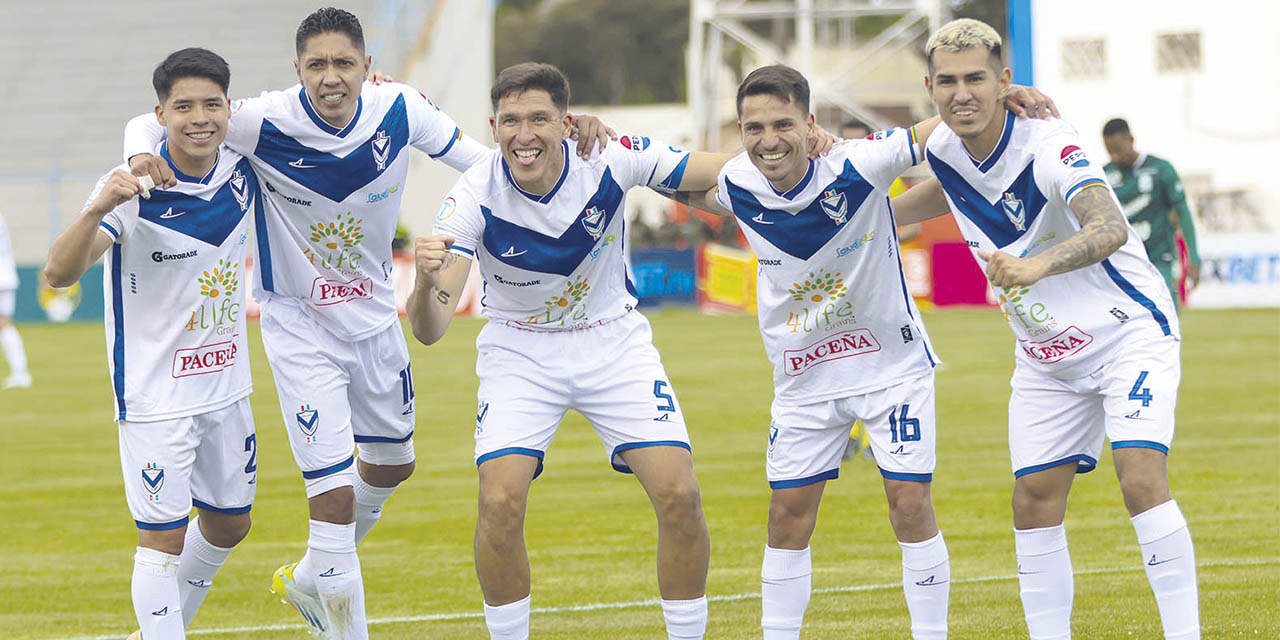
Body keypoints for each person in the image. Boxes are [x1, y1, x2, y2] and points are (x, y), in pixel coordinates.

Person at [121, 10, 612, 639]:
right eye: (317, 65)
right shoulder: (261, 118)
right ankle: (339, 618)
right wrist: (139, 147)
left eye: (343, 63)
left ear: (365, 66)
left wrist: (575, 138)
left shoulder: (401, 110)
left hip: (378, 319)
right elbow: (160, 114)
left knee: (391, 465)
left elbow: (491, 162)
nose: (331, 77)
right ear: (296, 70)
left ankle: (308, 578)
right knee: (331, 499)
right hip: (299, 324)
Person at [684, 64, 1053, 640]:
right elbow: (658, 173)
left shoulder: (860, 160)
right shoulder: (735, 181)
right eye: (754, 128)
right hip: (803, 377)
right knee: (786, 519)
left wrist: (999, 96)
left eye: (783, 123)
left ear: (810, 123)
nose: (769, 140)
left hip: (892, 371)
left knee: (909, 506)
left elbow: (938, 130)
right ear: (740, 130)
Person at [405, 62, 757, 640]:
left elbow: (724, 169)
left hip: (612, 342)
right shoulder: (473, 194)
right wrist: (423, 284)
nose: (525, 134)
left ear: (566, 123)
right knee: (499, 503)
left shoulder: (611, 156)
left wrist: (805, 148)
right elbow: (431, 328)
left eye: (540, 118)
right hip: (519, 353)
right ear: (493, 126)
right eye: (512, 120)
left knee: (680, 493)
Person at [902, 18, 1199, 639]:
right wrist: (872, 219)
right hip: (1047, 358)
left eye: (978, 79)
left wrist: (1035, 265)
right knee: (1032, 501)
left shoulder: (1049, 140)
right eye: (949, 81)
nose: (964, 93)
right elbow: (949, 187)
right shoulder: (942, 147)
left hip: (1126, 334)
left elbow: (1109, 227)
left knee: (1139, 475)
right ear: (930, 86)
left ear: (1005, 80)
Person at [44, 48, 258, 640]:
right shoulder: (133, 187)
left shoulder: (242, 167)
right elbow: (59, 275)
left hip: (227, 387)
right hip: (155, 397)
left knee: (229, 526)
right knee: (161, 541)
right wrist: (99, 207)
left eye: (211, 104)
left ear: (228, 108)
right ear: (160, 113)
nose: (199, 118)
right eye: (182, 106)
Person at [837, 118, 917, 462]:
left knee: (883, 361)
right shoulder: (829, 176)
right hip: (842, 286)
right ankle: (849, 436)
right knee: (844, 359)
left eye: (861, 140)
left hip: (882, 282)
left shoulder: (887, 177)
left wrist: (874, 236)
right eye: (848, 141)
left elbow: (911, 228)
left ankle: (875, 441)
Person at [1102, 118, 1201, 308]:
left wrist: (1194, 260)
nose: (1114, 157)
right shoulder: (1103, 175)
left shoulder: (1160, 169)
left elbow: (1183, 214)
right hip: (1122, 264)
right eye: (1110, 152)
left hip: (1158, 260)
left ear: (1130, 139)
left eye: (1118, 150)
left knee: (1167, 325)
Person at [0, 213, 31, 389]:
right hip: (5, 274)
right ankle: (20, 372)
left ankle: (20, 373)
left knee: (4, 325)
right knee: (4, 325)